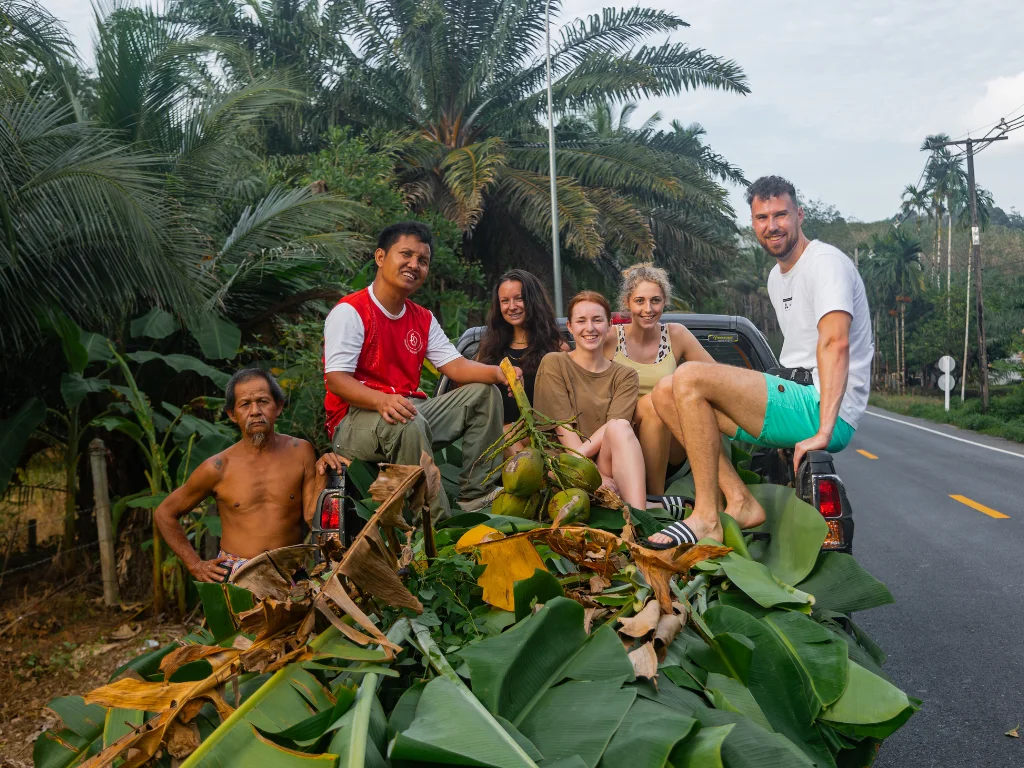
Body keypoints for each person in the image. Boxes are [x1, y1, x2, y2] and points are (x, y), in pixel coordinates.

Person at [646, 175, 873, 547]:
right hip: (794, 396)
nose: (772, 226)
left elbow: (835, 343)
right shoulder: (776, 276)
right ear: (753, 223)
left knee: (687, 377)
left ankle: (705, 516)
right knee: (665, 392)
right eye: (762, 218)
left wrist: (823, 431)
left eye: (781, 215)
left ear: (799, 214)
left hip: (817, 405)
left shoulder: (825, 263)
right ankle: (739, 500)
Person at [324, 221, 519, 520]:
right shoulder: (351, 311)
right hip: (352, 422)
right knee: (407, 420)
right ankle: (436, 525)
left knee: (484, 393)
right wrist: (381, 400)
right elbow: (336, 380)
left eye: (423, 261)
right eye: (406, 254)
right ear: (380, 257)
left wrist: (498, 373)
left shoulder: (422, 318)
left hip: (409, 411)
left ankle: (475, 495)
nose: (414, 265)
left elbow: (455, 365)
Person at [155, 369, 348, 582]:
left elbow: (312, 517)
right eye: (245, 404)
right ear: (232, 414)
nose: (255, 411)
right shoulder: (218, 467)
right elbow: (165, 513)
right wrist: (195, 565)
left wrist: (322, 470)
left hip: (291, 574)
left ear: (278, 407)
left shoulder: (301, 452)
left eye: (263, 401)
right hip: (238, 574)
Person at [605, 263, 715, 505]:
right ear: (627, 302)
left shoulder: (677, 335)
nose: (648, 309)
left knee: (656, 404)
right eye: (640, 301)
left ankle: (655, 499)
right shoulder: (610, 338)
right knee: (646, 407)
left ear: (664, 301)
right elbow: (583, 372)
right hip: (623, 440)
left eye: (655, 300)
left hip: (672, 445)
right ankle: (651, 499)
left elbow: (716, 377)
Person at [533, 291, 646, 510]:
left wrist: (601, 475)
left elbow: (614, 431)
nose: (590, 328)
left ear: (609, 325)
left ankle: (639, 518)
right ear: (570, 326)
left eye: (597, 320)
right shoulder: (555, 363)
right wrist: (591, 476)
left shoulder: (625, 375)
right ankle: (645, 506)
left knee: (619, 426)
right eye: (581, 321)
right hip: (565, 470)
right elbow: (563, 428)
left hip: (609, 470)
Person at [476, 269, 568, 453]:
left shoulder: (557, 349)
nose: (512, 306)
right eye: (504, 301)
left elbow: (566, 407)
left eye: (519, 298)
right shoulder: (488, 351)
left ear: (533, 300)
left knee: (505, 433)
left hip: (545, 440)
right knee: (502, 432)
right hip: (498, 445)